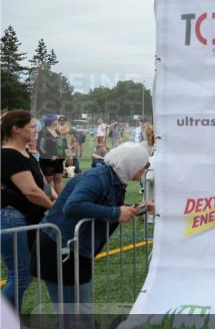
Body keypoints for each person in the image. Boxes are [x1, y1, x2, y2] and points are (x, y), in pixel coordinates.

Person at [34, 142, 151, 309]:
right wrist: (116, 213)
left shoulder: (114, 178)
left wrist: (140, 208)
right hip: (60, 249)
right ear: (131, 163)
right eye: (144, 164)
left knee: (79, 310)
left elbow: (106, 205)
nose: (146, 168)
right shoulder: (98, 177)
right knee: (74, 312)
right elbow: (73, 206)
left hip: (74, 248)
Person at [1, 111, 55, 310]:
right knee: (21, 275)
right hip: (12, 218)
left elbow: (40, 184)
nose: (36, 131)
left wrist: (54, 195)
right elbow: (31, 191)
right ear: (16, 128)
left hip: (25, 217)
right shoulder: (8, 154)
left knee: (21, 275)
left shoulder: (25, 152)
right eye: (32, 127)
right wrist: (54, 208)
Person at [36, 114, 66, 196]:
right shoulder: (43, 132)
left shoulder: (57, 131)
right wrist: (49, 156)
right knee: (47, 181)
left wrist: (64, 152)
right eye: (56, 119)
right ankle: (43, 200)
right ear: (52, 121)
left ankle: (61, 200)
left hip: (59, 160)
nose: (58, 120)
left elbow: (60, 144)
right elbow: (40, 146)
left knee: (58, 179)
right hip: (47, 160)